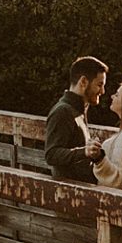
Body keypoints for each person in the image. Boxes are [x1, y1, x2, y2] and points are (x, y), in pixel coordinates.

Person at [44, 55, 108, 183]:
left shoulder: (78, 109)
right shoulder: (63, 111)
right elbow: (51, 154)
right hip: (68, 194)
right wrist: (84, 152)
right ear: (83, 82)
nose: (103, 91)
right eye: (99, 85)